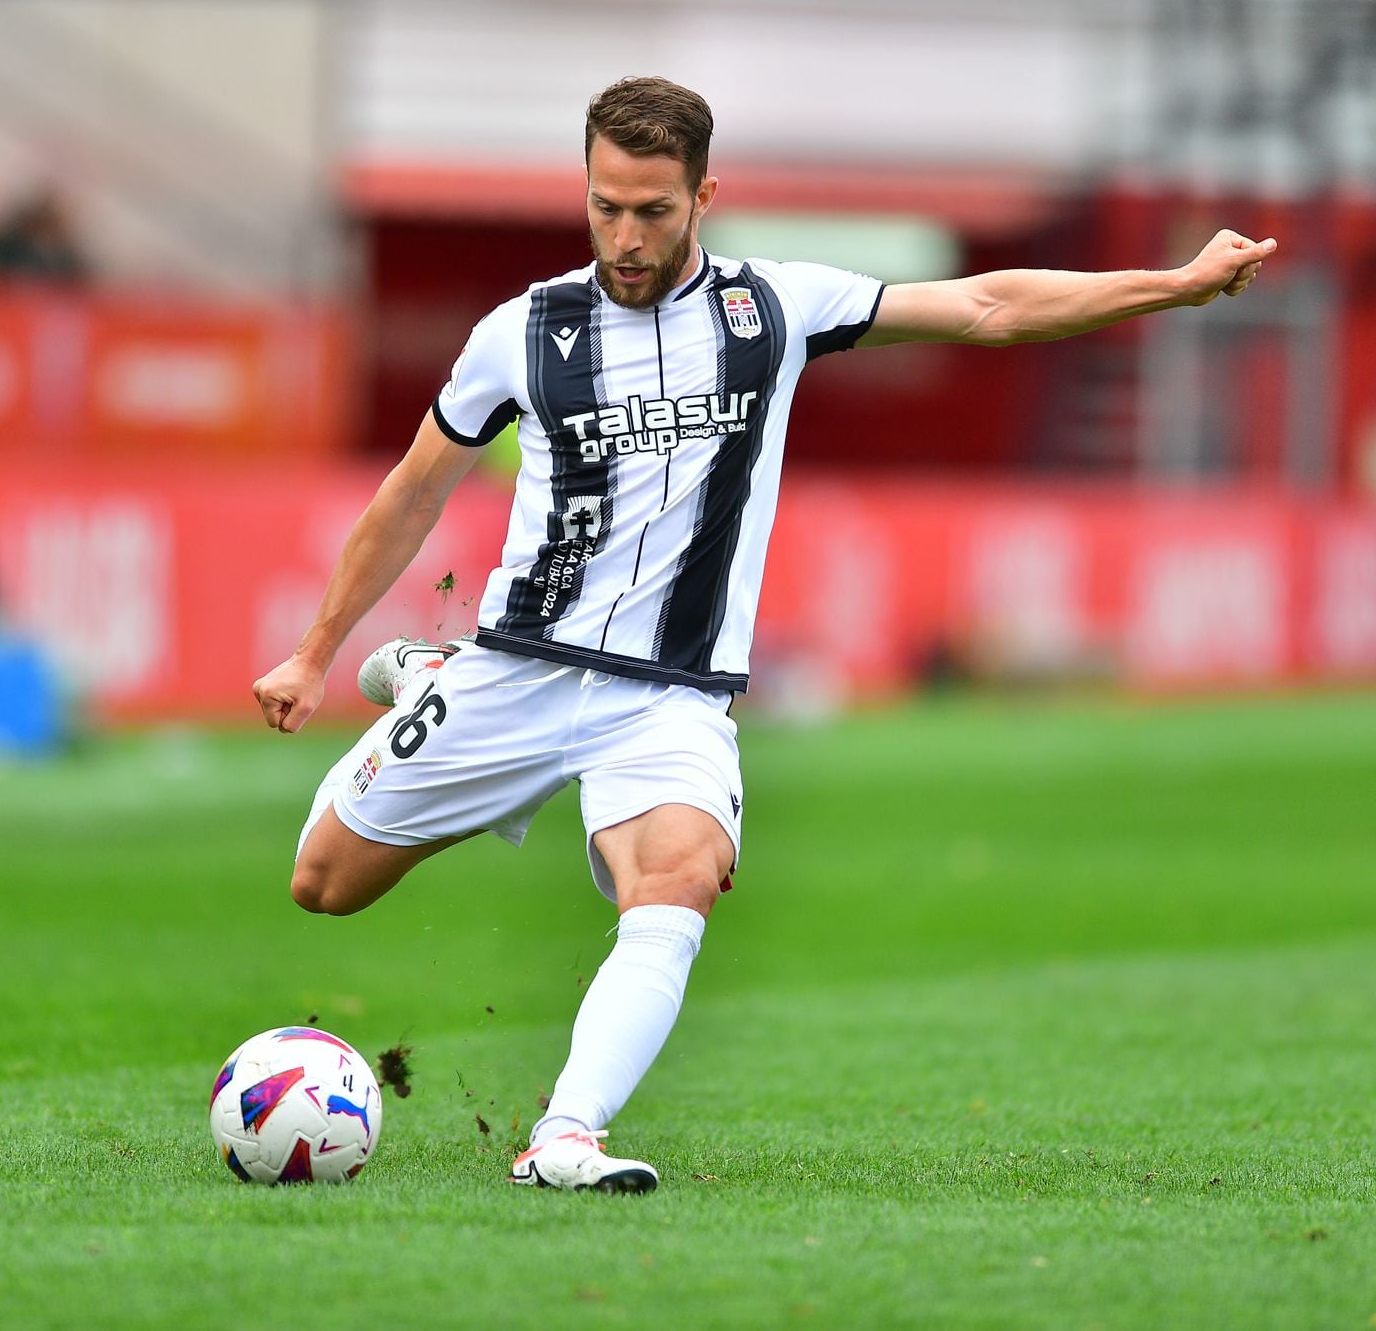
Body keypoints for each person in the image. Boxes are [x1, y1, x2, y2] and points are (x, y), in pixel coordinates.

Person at [252, 77, 1275, 1192]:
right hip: (519, 668)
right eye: (604, 207)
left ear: (703, 196)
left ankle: (565, 1136)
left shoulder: (771, 310)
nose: (626, 237)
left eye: (652, 209)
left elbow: (985, 305)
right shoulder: (521, 333)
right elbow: (409, 493)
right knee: (322, 883)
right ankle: (433, 679)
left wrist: (1172, 286)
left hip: (668, 697)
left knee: (679, 875)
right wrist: (314, 650)